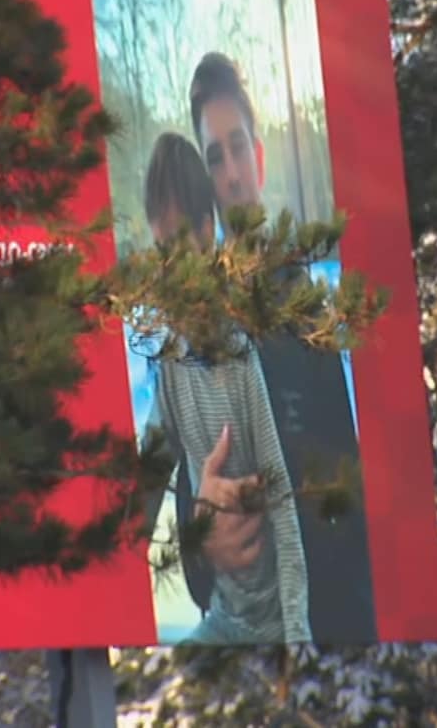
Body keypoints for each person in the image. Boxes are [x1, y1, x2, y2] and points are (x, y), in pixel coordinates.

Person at [171, 51, 377, 644]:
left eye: (238, 148)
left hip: (339, 633)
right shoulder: (195, 332)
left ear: (258, 158)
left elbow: (357, 491)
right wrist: (202, 537)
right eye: (214, 157)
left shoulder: (311, 309)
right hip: (252, 649)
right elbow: (187, 543)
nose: (231, 171)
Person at [140, 132, 310, 644]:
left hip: (277, 627)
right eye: (158, 251)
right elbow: (142, 486)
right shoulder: (169, 360)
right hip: (219, 621)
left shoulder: (245, 354)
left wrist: (299, 639)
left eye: (178, 248)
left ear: (208, 233)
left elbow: (284, 503)